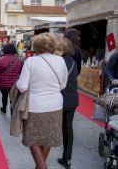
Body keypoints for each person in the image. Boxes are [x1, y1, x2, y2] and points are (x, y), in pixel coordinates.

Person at [16, 33, 68, 169]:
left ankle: (42, 166)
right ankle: (41, 166)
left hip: (35, 106)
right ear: (52, 46)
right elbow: (63, 85)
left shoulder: (31, 61)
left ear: (36, 46)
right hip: (56, 105)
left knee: (32, 138)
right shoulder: (60, 60)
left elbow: (22, 87)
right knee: (48, 137)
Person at [55, 38, 79, 169]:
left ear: (61, 49)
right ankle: (67, 158)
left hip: (59, 99)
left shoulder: (58, 61)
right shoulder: (74, 62)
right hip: (72, 99)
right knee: (68, 129)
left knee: (52, 126)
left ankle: (42, 156)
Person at [0, 44, 22, 115]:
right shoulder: (18, 60)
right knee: (12, 99)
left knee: (4, 96)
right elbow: (20, 72)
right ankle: (12, 114)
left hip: (3, 83)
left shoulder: (0, 60)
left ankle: (4, 109)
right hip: (13, 84)